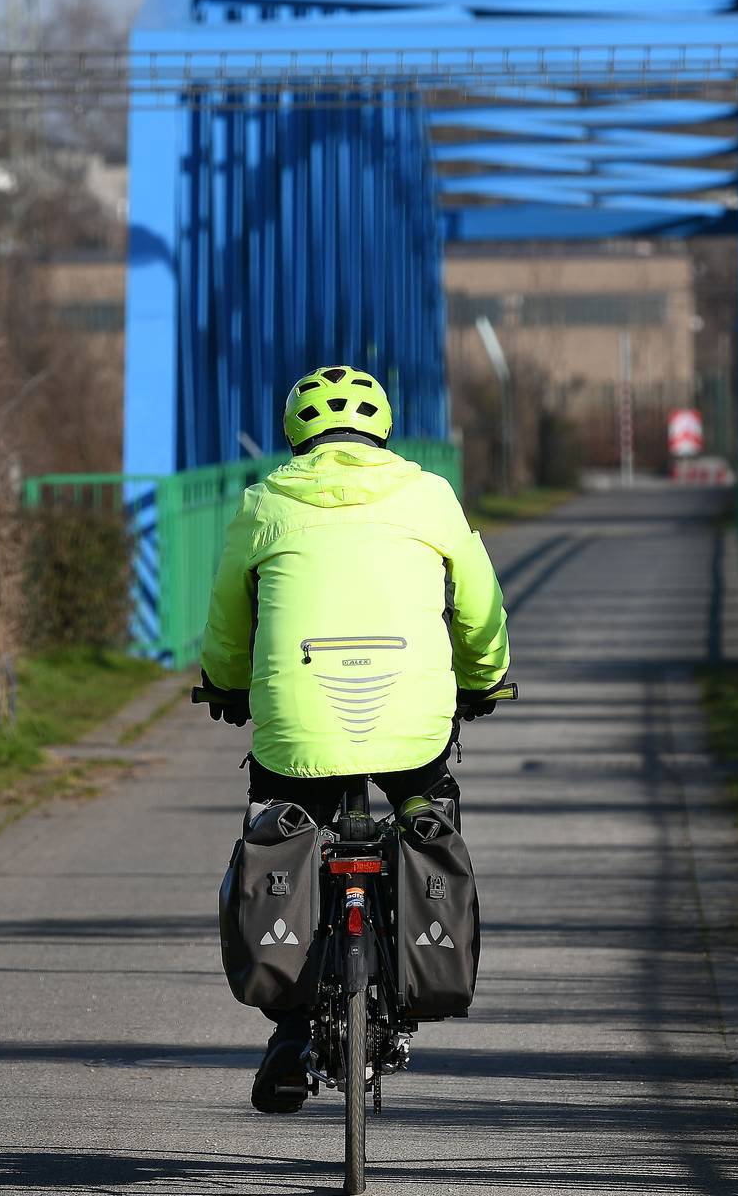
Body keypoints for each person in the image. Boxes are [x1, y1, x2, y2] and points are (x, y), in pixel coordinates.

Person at [196, 364, 511, 1114]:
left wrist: (225, 683)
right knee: (427, 818)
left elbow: (227, 616)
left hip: (297, 720)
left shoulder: (266, 501)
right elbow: (478, 605)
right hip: (411, 717)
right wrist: (486, 676)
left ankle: (288, 1036)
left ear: (294, 430)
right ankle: (415, 968)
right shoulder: (430, 496)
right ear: (383, 426)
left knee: (282, 832)